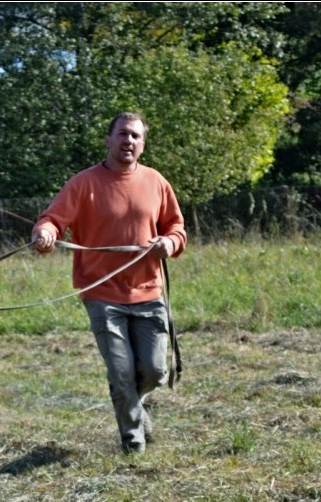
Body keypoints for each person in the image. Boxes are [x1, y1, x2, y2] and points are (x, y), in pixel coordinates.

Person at [31, 112, 187, 455]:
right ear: (109, 139)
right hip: (102, 294)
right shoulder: (83, 183)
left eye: (135, 136)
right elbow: (53, 220)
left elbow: (176, 227)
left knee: (155, 371)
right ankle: (133, 441)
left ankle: (136, 403)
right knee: (121, 371)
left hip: (149, 292)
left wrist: (169, 243)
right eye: (122, 134)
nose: (128, 141)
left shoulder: (156, 182)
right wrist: (45, 233)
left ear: (142, 144)